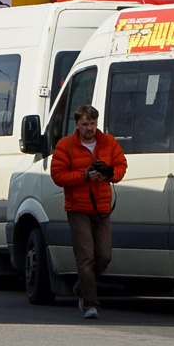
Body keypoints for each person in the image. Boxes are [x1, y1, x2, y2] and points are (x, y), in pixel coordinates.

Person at [50, 104, 127, 319]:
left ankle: (82, 286)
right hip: (78, 209)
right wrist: (84, 176)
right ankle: (91, 304)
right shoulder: (66, 145)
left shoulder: (108, 142)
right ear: (77, 125)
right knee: (85, 257)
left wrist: (110, 174)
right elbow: (58, 176)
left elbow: (121, 166)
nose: (89, 128)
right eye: (85, 124)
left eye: (92, 123)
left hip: (102, 209)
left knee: (104, 256)